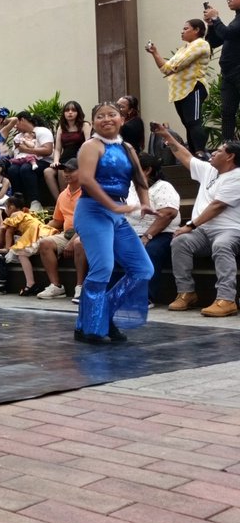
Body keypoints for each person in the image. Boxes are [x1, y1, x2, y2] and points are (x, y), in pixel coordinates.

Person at [73, 103, 153, 343]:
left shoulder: (127, 147)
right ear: (94, 122)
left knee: (143, 269)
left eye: (112, 115)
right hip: (92, 211)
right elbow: (86, 180)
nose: (106, 119)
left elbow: (139, 178)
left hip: (116, 214)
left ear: (121, 119)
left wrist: (145, 202)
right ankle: (91, 328)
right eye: (100, 116)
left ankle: (100, 316)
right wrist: (114, 205)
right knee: (102, 269)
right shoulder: (91, 146)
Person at [154, 123, 240, 317]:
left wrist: (190, 225)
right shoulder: (210, 170)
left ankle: (227, 299)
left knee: (222, 244)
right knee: (180, 242)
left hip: (229, 230)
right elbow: (185, 156)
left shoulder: (237, 176)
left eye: (217, 151)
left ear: (230, 156)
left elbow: (217, 206)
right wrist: (167, 136)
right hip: (202, 232)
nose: (212, 154)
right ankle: (186, 293)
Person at [146, 19, 212, 155]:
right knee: (188, 124)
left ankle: (200, 152)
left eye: (186, 28)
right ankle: (194, 153)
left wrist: (170, 67)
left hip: (193, 86)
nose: (182, 31)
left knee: (194, 122)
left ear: (197, 30)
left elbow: (177, 65)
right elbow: (165, 69)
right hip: (178, 91)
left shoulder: (201, 44)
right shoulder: (184, 48)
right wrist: (155, 53)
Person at [123, 152, 181, 306]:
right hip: (131, 233)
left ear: (147, 170)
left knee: (149, 251)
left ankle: (145, 296)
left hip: (160, 234)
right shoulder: (130, 186)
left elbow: (168, 214)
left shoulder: (163, 187)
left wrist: (147, 236)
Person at [35, 158, 85, 300]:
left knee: (78, 243)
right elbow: (57, 221)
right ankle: (56, 286)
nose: (66, 174)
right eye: (65, 171)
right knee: (45, 243)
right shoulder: (63, 194)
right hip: (66, 234)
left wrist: (73, 240)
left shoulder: (88, 192)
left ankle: (80, 286)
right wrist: (38, 229)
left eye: (71, 171)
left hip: (85, 233)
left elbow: (89, 223)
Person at [204, 0, 240, 142]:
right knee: (227, 111)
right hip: (228, 73)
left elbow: (227, 33)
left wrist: (216, 18)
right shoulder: (235, 20)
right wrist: (211, 26)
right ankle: (227, 145)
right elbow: (214, 41)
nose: (229, 0)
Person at [5, 112, 55, 211]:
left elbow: (47, 150)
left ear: (22, 120)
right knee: (12, 170)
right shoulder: (18, 136)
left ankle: (35, 201)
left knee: (26, 168)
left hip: (43, 161)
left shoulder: (41, 131)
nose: (15, 127)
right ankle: (18, 202)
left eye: (17, 123)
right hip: (24, 161)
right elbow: (16, 153)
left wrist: (27, 150)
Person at [44, 101, 88, 201]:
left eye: (73, 110)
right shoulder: (61, 127)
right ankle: (59, 201)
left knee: (62, 171)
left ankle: (69, 200)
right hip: (65, 158)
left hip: (78, 158)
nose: (70, 112)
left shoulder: (85, 125)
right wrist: (55, 161)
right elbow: (58, 149)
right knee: (48, 172)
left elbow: (88, 144)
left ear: (78, 112)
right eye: (67, 110)